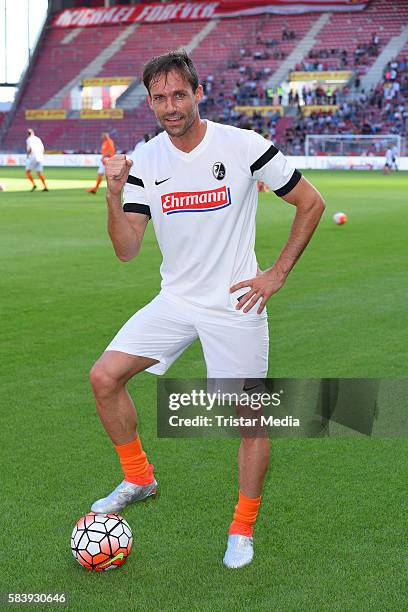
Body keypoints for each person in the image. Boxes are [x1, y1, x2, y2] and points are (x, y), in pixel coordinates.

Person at [89, 50, 325, 569]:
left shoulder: (243, 145)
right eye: (159, 98)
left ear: (199, 93)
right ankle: (138, 478)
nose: (170, 106)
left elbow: (312, 201)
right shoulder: (146, 159)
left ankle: (242, 528)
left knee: (248, 420)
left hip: (234, 303)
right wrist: (111, 194)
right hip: (175, 300)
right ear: (149, 103)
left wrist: (276, 273)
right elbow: (128, 248)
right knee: (104, 378)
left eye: (179, 94)